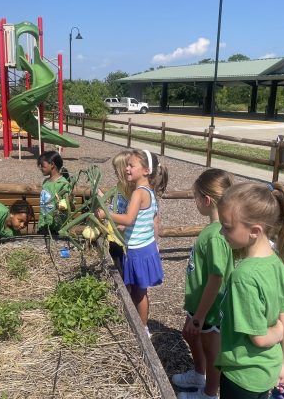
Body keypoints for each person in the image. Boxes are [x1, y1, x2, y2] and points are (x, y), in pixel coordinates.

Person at [216, 182, 284, 399]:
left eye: (227, 226)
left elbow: (259, 338)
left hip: (242, 374)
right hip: (268, 369)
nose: (222, 232)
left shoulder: (243, 277)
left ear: (254, 231)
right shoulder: (279, 264)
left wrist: (278, 331)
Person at [172, 169, 235, 399]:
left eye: (195, 196)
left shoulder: (216, 235)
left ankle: (208, 394)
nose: (194, 201)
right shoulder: (215, 230)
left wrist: (198, 316)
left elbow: (216, 278)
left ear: (206, 200)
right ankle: (199, 374)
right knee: (190, 336)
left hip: (209, 310)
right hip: (201, 307)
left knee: (212, 353)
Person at [98, 149, 168, 337]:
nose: (127, 169)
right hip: (145, 246)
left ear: (145, 171)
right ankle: (140, 324)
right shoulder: (149, 191)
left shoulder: (138, 193)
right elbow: (145, 219)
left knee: (139, 291)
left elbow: (129, 219)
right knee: (139, 290)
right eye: (127, 165)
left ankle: (143, 328)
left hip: (138, 250)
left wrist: (106, 214)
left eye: (131, 165)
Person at [106, 150, 133, 271]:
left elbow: (135, 212)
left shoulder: (131, 189)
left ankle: (124, 285)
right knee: (114, 255)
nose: (114, 172)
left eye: (116, 169)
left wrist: (127, 226)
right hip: (113, 227)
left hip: (121, 231)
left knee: (121, 259)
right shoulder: (119, 185)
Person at [37, 151, 70, 234]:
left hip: (56, 227)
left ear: (52, 165)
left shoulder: (63, 184)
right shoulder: (46, 182)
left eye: (42, 165)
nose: (40, 168)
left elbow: (69, 206)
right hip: (44, 224)